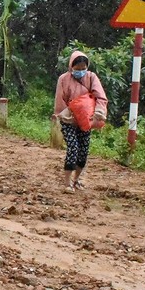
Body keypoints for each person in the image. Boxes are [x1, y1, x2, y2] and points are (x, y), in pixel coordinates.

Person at [53, 50, 107, 193]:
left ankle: (76, 180)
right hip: (69, 119)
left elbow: (100, 96)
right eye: (77, 69)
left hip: (86, 120)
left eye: (83, 69)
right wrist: (68, 114)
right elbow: (60, 100)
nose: (81, 72)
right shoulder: (63, 79)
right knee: (73, 148)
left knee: (83, 151)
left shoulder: (91, 77)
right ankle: (67, 183)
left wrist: (98, 113)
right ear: (71, 67)